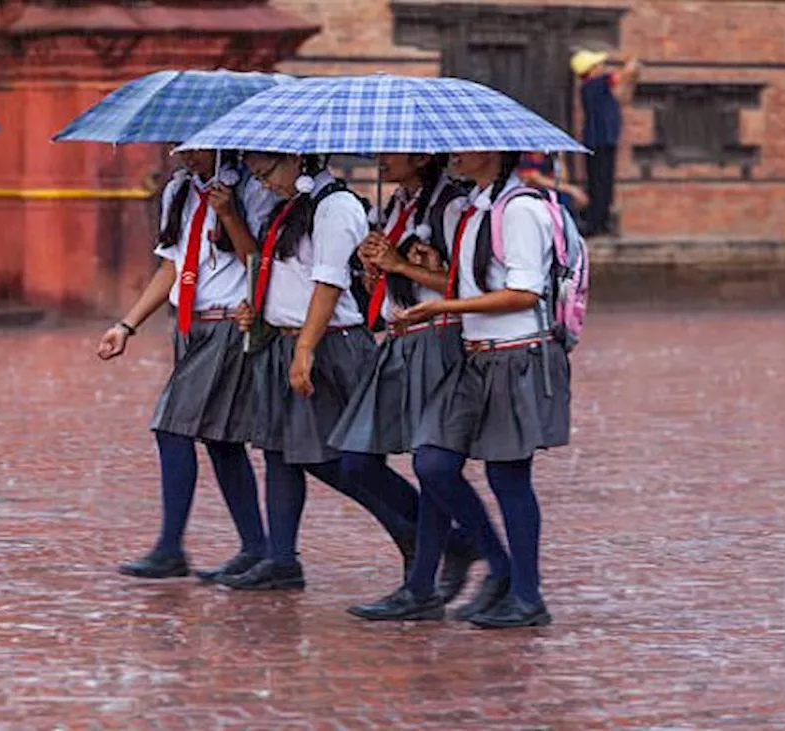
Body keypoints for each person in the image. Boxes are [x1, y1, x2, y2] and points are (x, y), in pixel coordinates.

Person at [383, 150, 571, 629]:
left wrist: (439, 306)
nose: (453, 155)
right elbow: (469, 280)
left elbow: (524, 293)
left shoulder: (520, 210)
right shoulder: (474, 209)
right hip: (476, 352)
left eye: (464, 148)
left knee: (509, 475)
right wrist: (413, 268)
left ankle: (527, 597)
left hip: (515, 352)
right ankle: (500, 567)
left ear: (491, 152)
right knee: (434, 461)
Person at [223, 153, 428, 592]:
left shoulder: (335, 206)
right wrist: (259, 309)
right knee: (279, 451)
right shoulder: (288, 206)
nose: (264, 183)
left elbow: (329, 283)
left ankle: (419, 530)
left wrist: (305, 349)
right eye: (256, 175)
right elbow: (279, 271)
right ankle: (281, 558)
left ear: (295, 160)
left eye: (266, 173)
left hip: (328, 344)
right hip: (284, 339)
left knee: (332, 458)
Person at [97, 149, 273, 583]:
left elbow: (259, 260)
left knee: (172, 428)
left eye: (195, 146)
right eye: (179, 145)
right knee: (221, 440)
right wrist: (128, 324)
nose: (184, 153)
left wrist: (229, 214)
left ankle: (171, 547)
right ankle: (257, 547)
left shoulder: (249, 188)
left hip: (231, 322)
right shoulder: (179, 190)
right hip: (191, 326)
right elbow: (171, 266)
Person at [328, 153, 481, 618]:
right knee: (355, 460)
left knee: (428, 462)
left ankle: (421, 587)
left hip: (440, 339)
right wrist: (376, 267)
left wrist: (402, 266)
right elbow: (394, 275)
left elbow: (468, 287)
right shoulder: (397, 206)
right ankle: (454, 544)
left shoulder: (453, 207)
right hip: (400, 341)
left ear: (419, 157)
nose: (379, 160)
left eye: (389, 154)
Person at [572, 49, 640, 237]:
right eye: (598, 65)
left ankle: (602, 221)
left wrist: (632, 76)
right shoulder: (593, 85)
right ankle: (594, 222)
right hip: (597, 140)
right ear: (591, 70)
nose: (602, 68)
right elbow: (622, 75)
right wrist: (631, 63)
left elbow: (624, 96)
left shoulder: (600, 88)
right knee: (598, 183)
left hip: (606, 139)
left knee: (606, 183)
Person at [517, 152, 588, 216]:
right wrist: (572, 190)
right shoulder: (525, 157)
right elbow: (536, 179)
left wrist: (561, 157)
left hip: (548, 196)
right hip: (528, 197)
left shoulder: (548, 156)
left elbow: (563, 180)